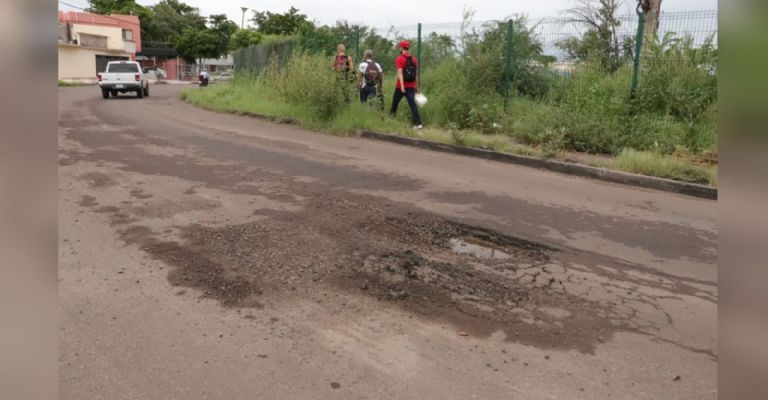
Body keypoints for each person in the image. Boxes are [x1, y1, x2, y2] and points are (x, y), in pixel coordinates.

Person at [390, 40, 422, 129]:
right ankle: (418, 124)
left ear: (401, 48)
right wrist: (417, 87)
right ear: (408, 48)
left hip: (400, 87)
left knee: (394, 104)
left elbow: (400, 72)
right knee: (412, 105)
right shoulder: (414, 59)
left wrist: (402, 86)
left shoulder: (399, 58)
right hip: (411, 86)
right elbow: (416, 74)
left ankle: (390, 120)